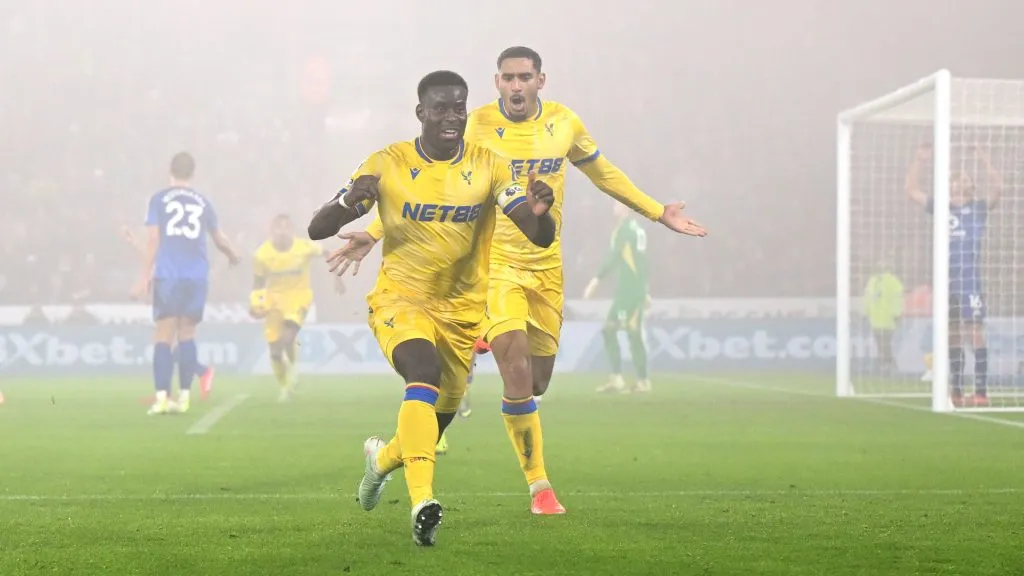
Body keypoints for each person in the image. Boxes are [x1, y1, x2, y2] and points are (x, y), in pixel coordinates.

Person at [326, 46, 707, 514]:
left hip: (545, 266)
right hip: (494, 267)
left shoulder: (564, 124)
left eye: (525, 77)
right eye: (507, 78)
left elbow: (603, 174)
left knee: (536, 382)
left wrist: (657, 211)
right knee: (516, 368)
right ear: (497, 83)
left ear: (540, 81)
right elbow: (427, 188)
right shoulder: (474, 125)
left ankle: (384, 458)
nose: (516, 85)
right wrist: (372, 231)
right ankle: (539, 487)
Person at [307, 70, 555, 546]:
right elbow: (318, 228)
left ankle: (380, 462)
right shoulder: (388, 163)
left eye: (459, 108)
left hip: (461, 315)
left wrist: (542, 215)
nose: (451, 117)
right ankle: (423, 504)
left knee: (429, 423)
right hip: (400, 299)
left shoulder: (490, 165)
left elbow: (537, 234)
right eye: (440, 108)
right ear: (421, 112)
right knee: (422, 371)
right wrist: (348, 202)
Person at [132, 153, 241, 415]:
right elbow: (219, 238)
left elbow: (153, 240)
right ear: (193, 173)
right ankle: (183, 398)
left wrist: (143, 277)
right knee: (187, 334)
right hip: (196, 276)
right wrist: (232, 255)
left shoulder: (158, 199)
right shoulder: (203, 202)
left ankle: (161, 398)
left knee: (163, 334)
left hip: (168, 275)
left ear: (169, 170)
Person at [906, 143, 1003, 407]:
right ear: (949, 185)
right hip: (946, 281)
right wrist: (920, 160)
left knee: (975, 332)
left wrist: (982, 156)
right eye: (956, 179)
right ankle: (957, 390)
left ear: (971, 186)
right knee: (952, 333)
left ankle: (981, 392)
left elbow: (999, 188)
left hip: (970, 280)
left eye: (966, 179)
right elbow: (911, 191)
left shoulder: (979, 208)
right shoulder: (941, 206)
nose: (961, 181)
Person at [250, 214, 341, 402]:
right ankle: (285, 386)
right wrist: (255, 305)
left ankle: (293, 371)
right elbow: (258, 283)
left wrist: (337, 277)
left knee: (288, 337)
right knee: (275, 352)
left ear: (292, 230)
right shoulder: (262, 254)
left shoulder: (303, 247)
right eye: (279, 227)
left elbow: (327, 252)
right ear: (272, 230)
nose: (283, 231)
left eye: (286, 227)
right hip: (274, 302)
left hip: (299, 297)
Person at [120, 224, 216, 400]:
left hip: (171, 290)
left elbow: (154, 257)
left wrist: (142, 287)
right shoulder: (170, 246)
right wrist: (134, 243)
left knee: (165, 340)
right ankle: (182, 383)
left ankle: (175, 387)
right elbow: (152, 256)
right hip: (171, 289)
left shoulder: (167, 247)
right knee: (168, 341)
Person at [584, 202, 653, 393]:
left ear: (626, 207)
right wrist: (645, 289)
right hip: (628, 289)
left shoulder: (625, 231)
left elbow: (614, 256)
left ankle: (643, 381)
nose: (613, 207)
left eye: (617, 203)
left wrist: (596, 280)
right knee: (609, 329)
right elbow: (643, 261)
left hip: (630, 291)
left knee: (633, 332)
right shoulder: (636, 229)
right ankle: (617, 379)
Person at [861, 259, 904, 374]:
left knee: (883, 343)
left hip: (884, 319)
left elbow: (896, 299)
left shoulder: (888, 282)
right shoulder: (875, 281)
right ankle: (886, 364)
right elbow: (868, 299)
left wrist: (896, 314)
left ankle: (887, 364)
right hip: (881, 319)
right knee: (882, 343)